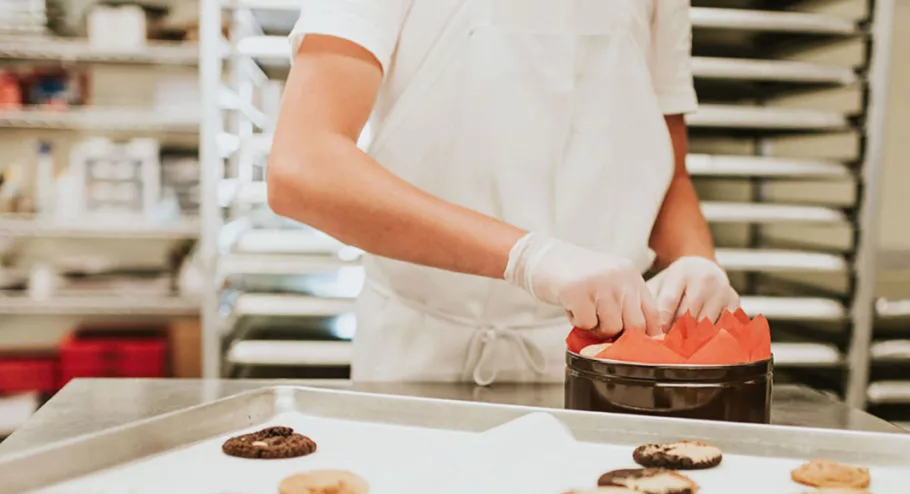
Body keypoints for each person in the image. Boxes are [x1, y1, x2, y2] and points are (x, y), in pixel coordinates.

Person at [268, 0, 741, 385]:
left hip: (606, 359)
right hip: (423, 357)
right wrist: (529, 257)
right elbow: (302, 164)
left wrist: (696, 262)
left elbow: (668, 176)